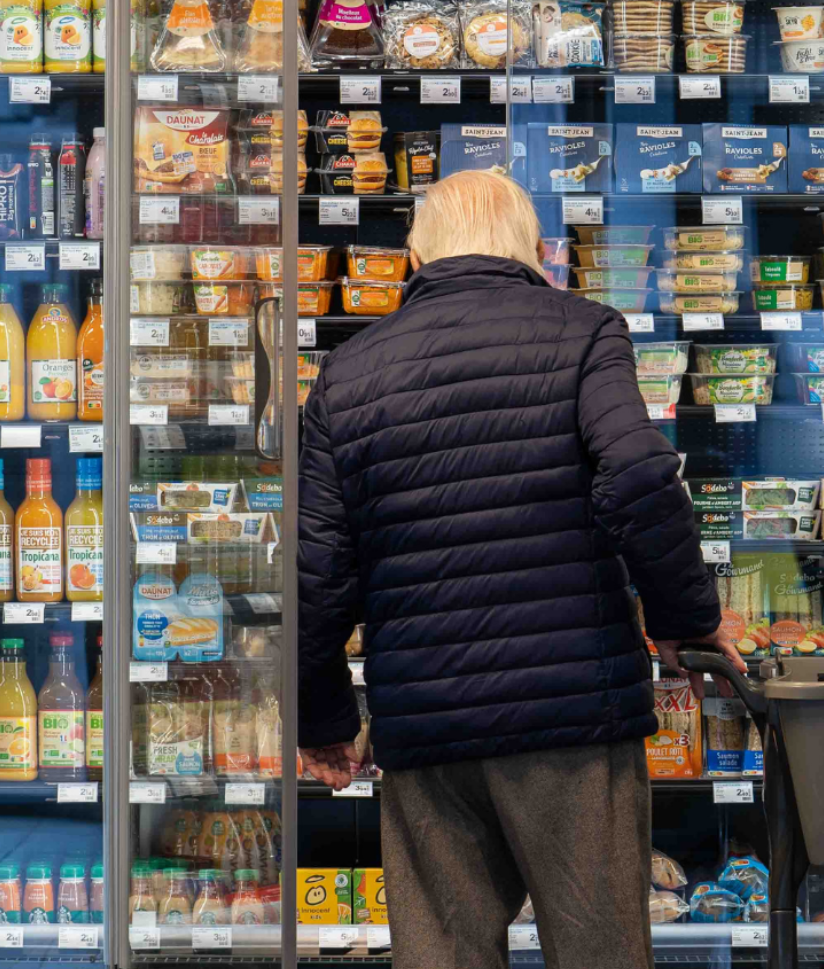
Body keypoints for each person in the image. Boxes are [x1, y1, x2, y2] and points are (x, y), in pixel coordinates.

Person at [297, 169, 745, 969]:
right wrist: (686, 618)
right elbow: (642, 475)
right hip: (573, 713)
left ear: (412, 257)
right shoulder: (584, 331)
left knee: (443, 954)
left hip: (425, 718)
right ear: (538, 251)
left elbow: (317, 569)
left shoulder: (348, 373)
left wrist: (325, 724)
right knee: (598, 949)